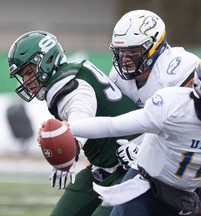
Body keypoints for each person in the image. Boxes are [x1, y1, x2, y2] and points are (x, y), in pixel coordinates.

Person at [53, 52, 201, 215]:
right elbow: (114, 125)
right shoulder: (172, 108)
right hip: (147, 188)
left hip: (185, 197)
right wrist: (69, 129)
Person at [108, 9, 201, 215]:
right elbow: (122, 122)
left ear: (155, 46)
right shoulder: (118, 76)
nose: (125, 59)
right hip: (170, 156)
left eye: (133, 52)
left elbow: (189, 122)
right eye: (121, 52)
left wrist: (138, 146)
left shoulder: (178, 67)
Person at [8, 30, 140, 216]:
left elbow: (81, 115)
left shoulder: (71, 87)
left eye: (29, 72)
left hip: (132, 168)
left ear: (47, 61)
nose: (27, 81)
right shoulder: (69, 75)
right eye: (23, 76)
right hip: (103, 167)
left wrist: (70, 148)